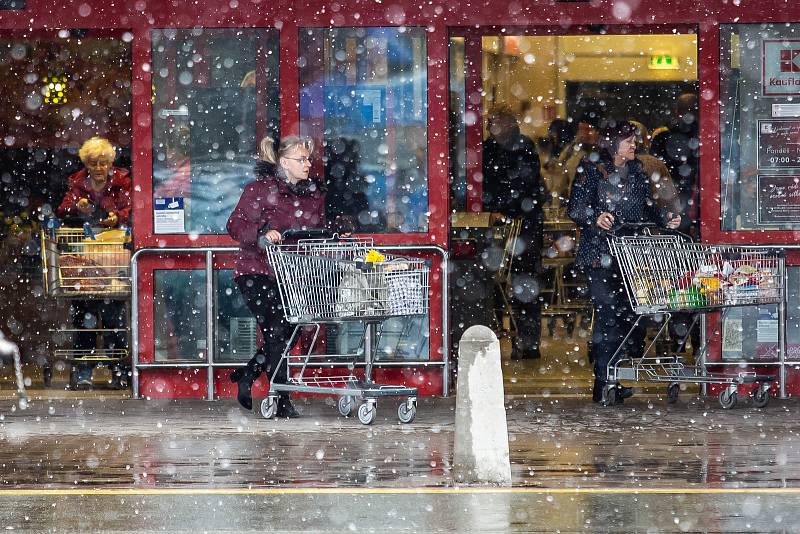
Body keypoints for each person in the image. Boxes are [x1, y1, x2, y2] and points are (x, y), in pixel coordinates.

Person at [567, 121, 681, 405]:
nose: (634, 145)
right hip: (599, 255)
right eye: (629, 141)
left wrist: (666, 220)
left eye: (634, 141)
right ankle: (605, 381)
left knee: (628, 317)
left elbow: (647, 208)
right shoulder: (591, 168)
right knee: (608, 316)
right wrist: (595, 216)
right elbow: (575, 207)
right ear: (612, 143)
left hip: (630, 255)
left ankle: (614, 377)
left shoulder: (637, 171)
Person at [226, 135, 325, 417]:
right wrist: (259, 236)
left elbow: (314, 229)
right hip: (257, 272)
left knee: (288, 332)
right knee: (277, 330)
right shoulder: (260, 189)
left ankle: (248, 375)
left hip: (291, 274)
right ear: (283, 162)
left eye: (308, 159)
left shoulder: (310, 195)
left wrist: (334, 232)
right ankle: (282, 399)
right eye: (301, 159)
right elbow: (235, 224)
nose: (307, 164)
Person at [57, 136, 131, 389]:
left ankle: (119, 371)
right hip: (86, 257)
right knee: (84, 319)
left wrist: (116, 217)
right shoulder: (78, 183)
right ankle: (83, 372)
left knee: (114, 319)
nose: (99, 168)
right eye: (93, 163)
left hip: (111, 255)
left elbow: (131, 209)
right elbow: (62, 210)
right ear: (86, 164)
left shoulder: (121, 182)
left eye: (103, 163)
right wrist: (77, 207)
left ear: (110, 162)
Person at [482, 107, 547, 359]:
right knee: (501, 283)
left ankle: (527, 341)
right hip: (511, 221)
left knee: (523, 284)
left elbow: (524, 184)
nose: (492, 127)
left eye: (495, 122)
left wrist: (501, 208)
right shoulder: (490, 149)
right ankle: (501, 335)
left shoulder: (521, 148)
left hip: (523, 223)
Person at [650, 92, 699, 233]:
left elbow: (653, 170)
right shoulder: (708, 137)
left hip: (670, 196)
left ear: (677, 112)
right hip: (700, 198)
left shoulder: (662, 137)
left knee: (674, 239)